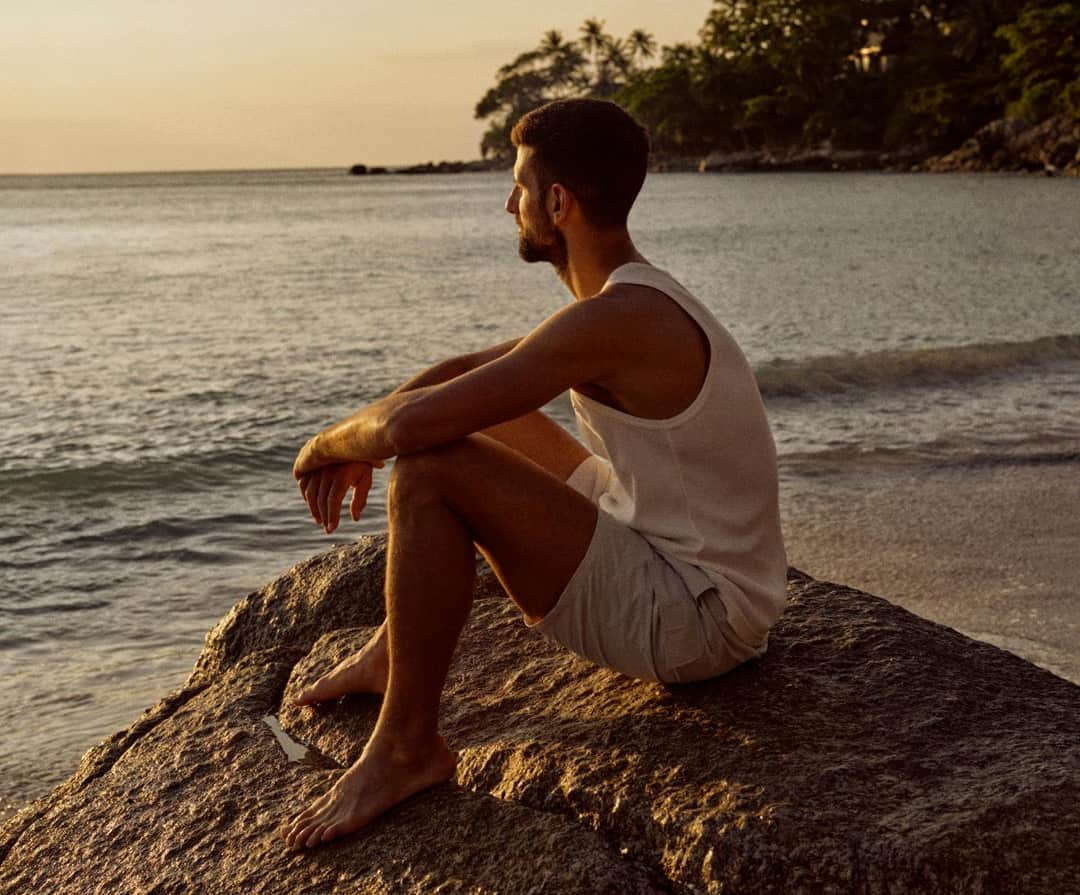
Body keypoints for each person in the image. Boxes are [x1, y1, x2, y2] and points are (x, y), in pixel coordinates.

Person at [278, 98, 787, 851]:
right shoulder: (629, 298)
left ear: (558, 202)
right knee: (467, 416)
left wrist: (324, 443)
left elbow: (416, 428)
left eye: (519, 185)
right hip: (672, 550)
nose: (507, 202)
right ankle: (396, 650)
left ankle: (406, 746)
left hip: (695, 617)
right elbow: (458, 378)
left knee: (430, 467)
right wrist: (368, 432)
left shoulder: (617, 318)